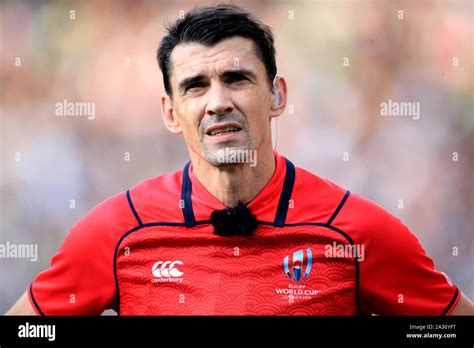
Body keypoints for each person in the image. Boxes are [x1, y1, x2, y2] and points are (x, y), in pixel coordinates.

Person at [7, 4, 473, 316]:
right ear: (171, 113)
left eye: (237, 78)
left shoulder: (356, 232)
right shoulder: (116, 231)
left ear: (276, 95)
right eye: (195, 86)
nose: (217, 102)